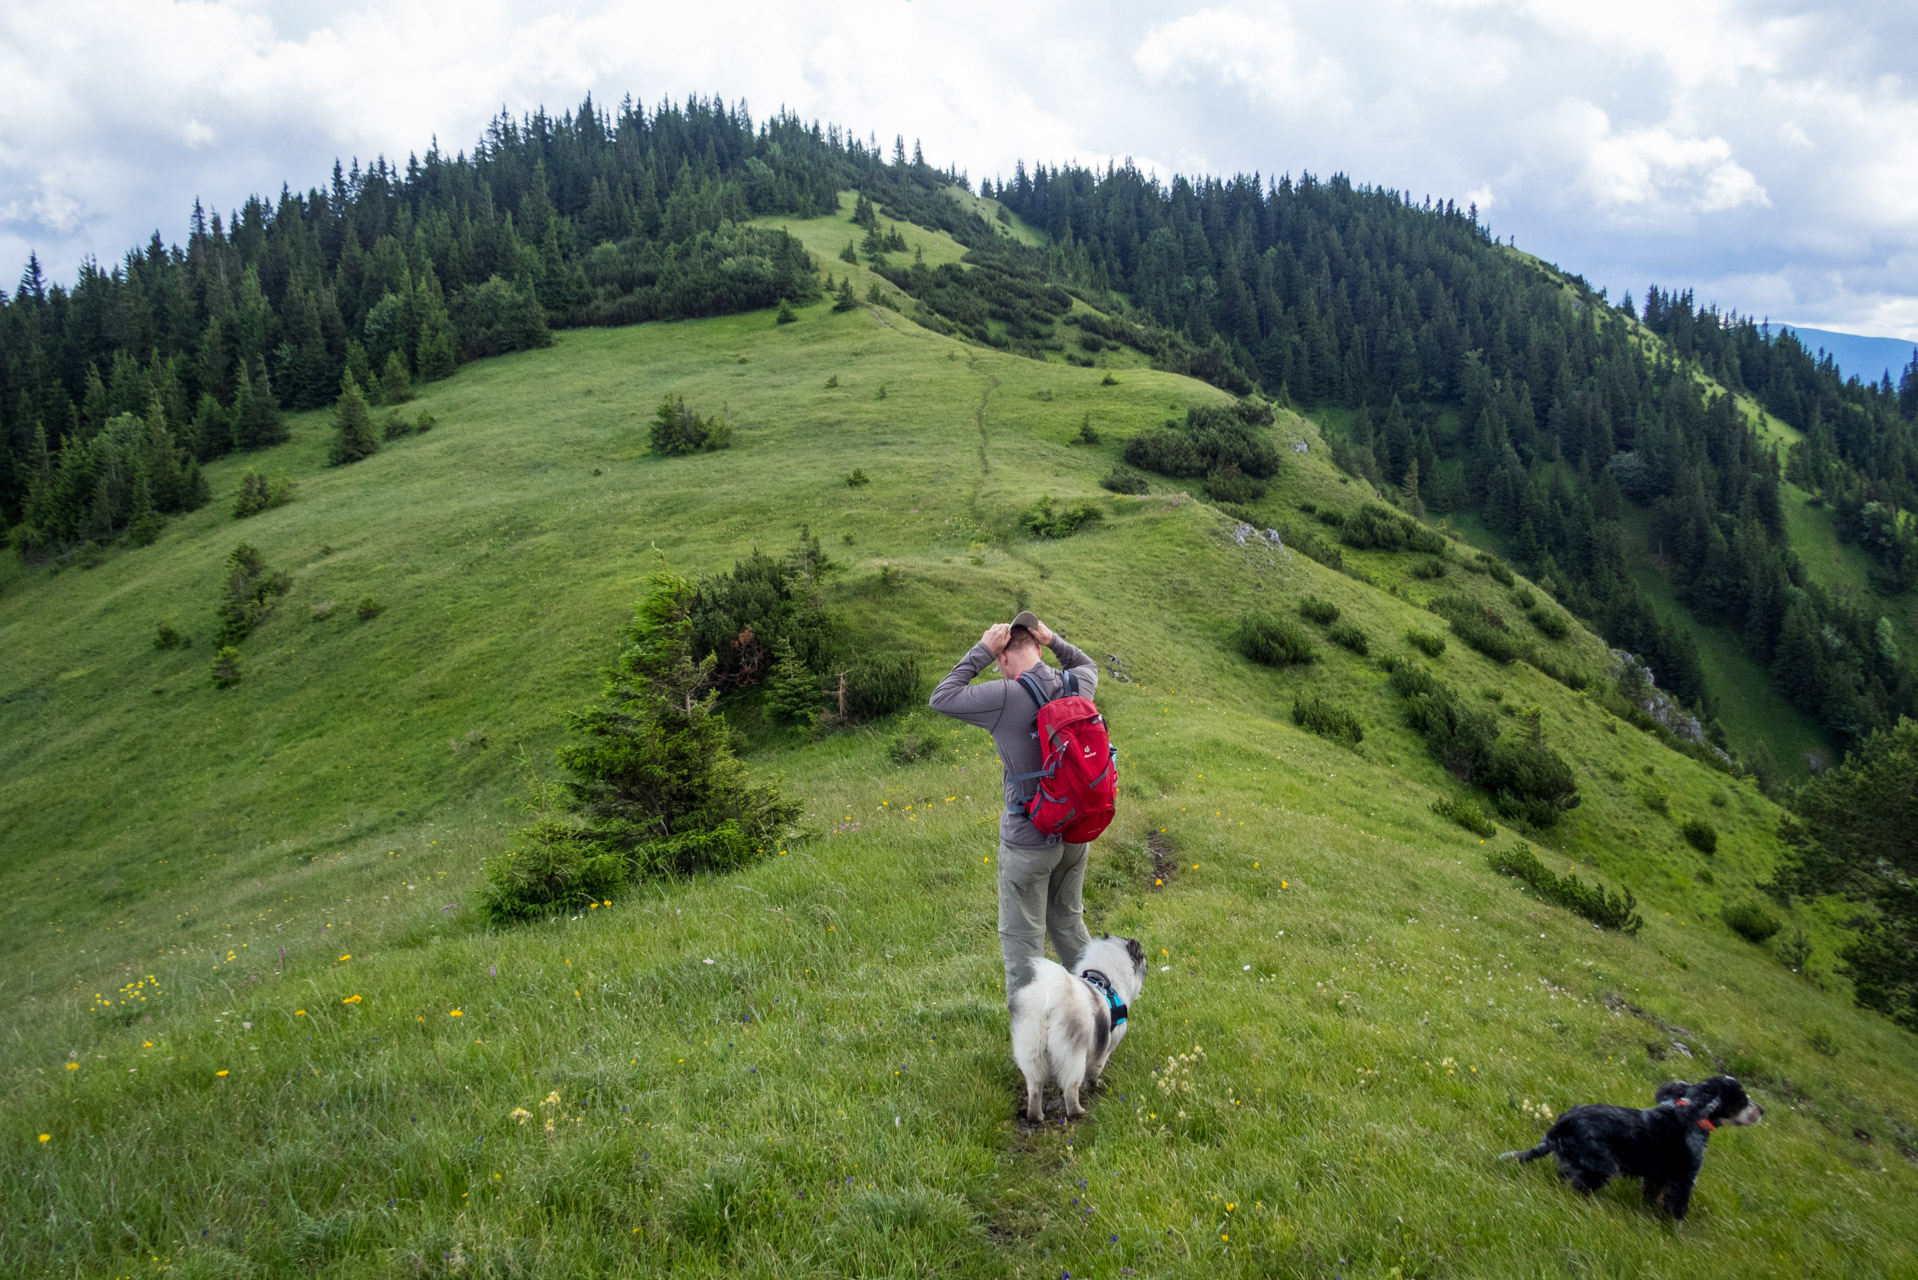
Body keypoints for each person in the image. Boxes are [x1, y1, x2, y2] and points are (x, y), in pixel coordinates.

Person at [929, 610, 1101, 1001]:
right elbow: (1085, 661)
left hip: (1029, 840)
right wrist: (1054, 639)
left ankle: (1036, 1050)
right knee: (1070, 927)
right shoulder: (1078, 684)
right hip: (1075, 834)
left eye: (997, 657)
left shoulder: (1005, 696)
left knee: (1023, 947)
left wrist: (981, 651)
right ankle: (1102, 1012)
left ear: (1003, 656)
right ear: (1036, 646)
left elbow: (941, 697)